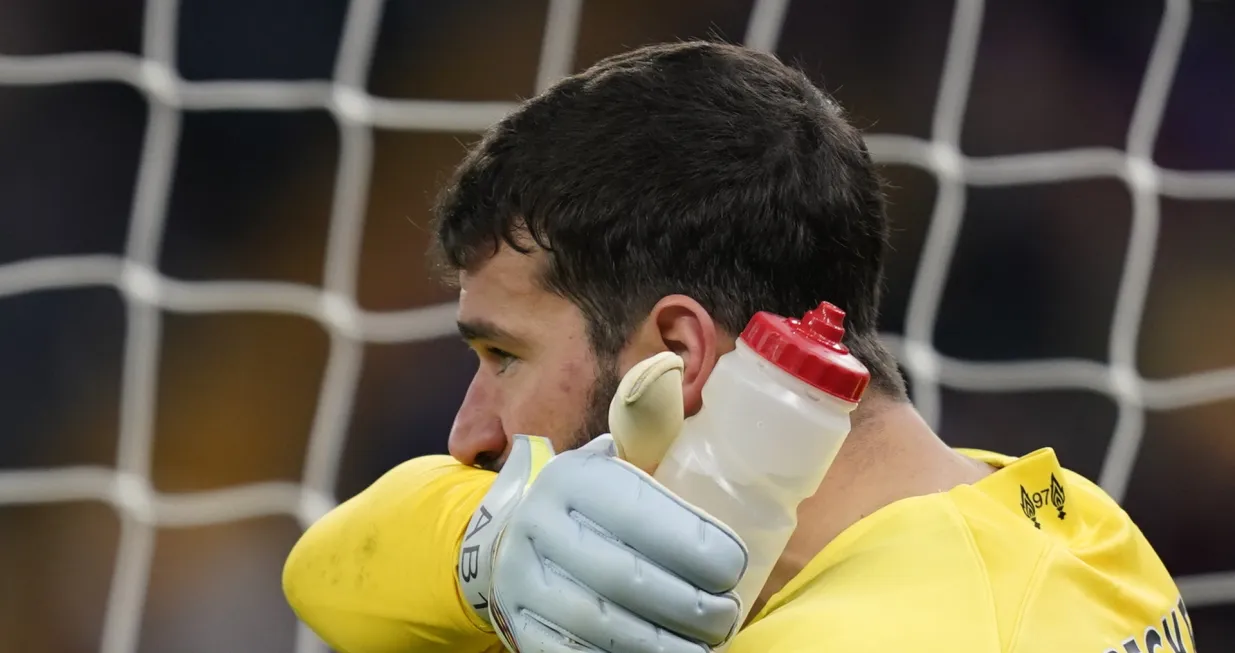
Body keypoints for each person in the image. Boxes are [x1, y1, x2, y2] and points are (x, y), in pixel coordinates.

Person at [282, 41, 1194, 652]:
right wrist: (487, 539)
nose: (469, 433)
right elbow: (327, 566)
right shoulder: (1069, 523)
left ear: (678, 352)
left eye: (504, 357)